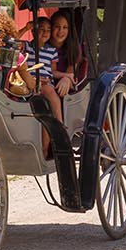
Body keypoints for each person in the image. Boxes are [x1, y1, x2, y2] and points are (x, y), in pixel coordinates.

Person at [28, 9, 85, 155]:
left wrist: (67, 78)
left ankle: (59, 134)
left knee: (52, 98)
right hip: (39, 81)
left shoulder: (73, 48)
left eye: (65, 28)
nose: (60, 31)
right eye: (57, 27)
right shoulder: (38, 47)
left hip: (60, 86)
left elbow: (71, 73)